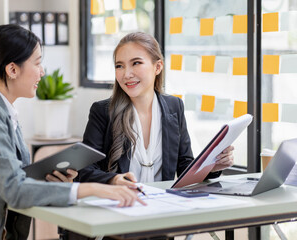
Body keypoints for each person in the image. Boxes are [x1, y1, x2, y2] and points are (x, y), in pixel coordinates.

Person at [0, 24, 144, 240]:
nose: (42, 71)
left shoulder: (2, 111)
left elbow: (12, 178)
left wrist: (49, 179)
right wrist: (93, 189)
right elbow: (13, 189)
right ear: (12, 70)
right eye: (37, 63)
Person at [78, 32, 234, 187]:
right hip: (120, 204)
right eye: (120, 66)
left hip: (162, 205)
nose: (126, 74)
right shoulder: (103, 111)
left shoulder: (175, 107)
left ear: (158, 67)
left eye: (136, 63)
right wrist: (114, 180)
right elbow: (84, 171)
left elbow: (183, 165)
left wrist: (211, 166)